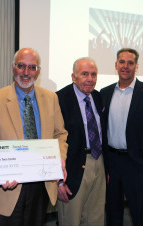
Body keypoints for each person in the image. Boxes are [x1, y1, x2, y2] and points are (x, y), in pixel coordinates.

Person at [0, 48, 68, 226]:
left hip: (41, 184)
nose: (26, 72)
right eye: (21, 66)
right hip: (7, 189)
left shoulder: (51, 98)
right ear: (13, 68)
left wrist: (60, 157)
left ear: (39, 71)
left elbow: (60, 133)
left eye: (32, 67)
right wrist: (1, 172)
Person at [100, 48, 143, 226]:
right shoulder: (104, 93)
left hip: (137, 163)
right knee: (112, 212)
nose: (126, 66)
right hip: (112, 164)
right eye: (122, 62)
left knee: (140, 214)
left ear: (136, 66)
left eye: (130, 63)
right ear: (116, 65)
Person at [56, 57, 107, 226]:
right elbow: (54, 140)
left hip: (99, 162)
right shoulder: (59, 99)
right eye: (84, 74)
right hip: (72, 167)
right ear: (73, 76)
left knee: (96, 217)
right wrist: (58, 181)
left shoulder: (99, 98)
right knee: (71, 219)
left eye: (93, 74)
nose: (90, 79)